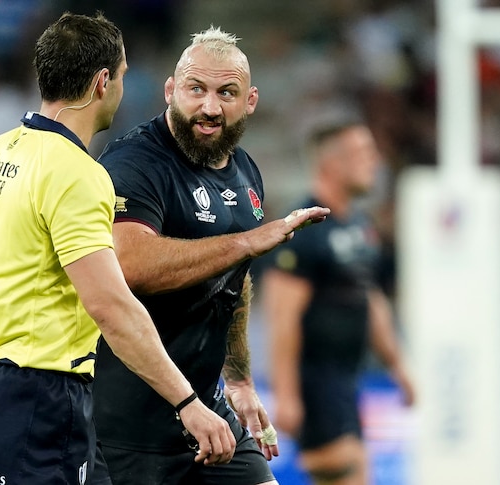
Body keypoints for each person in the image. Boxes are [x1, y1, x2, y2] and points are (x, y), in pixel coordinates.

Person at [0, 13, 237, 485]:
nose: (121, 85)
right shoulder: (78, 174)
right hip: (41, 393)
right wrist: (188, 403)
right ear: (103, 82)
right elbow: (110, 306)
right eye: (121, 75)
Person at [92, 26, 330, 485]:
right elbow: (129, 266)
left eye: (227, 93)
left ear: (251, 100)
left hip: (210, 414)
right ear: (170, 90)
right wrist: (247, 241)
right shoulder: (134, 164)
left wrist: (238, 379)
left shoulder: (245, 171)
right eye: (196, 89)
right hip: (128, 430)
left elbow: (232, 284)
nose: (210, 107)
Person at [260, 121, 415, 485]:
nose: (375, 161)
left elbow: (370, 298)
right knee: (343, 473)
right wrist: (286, 394)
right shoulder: (303, 227)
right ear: (332, 164)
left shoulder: (359, 226)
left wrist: (399, 366)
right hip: (315, 381)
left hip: (347, 380)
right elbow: (282, 316)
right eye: (363, 153)